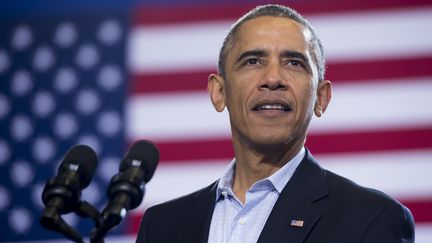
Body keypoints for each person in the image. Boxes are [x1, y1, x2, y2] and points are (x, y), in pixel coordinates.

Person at [136, 4, 414, 243]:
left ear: (321, 97)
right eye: (253, 61)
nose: (273, 78)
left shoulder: (372, 219)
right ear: (219, 92)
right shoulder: (161, 227)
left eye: (294, 63)